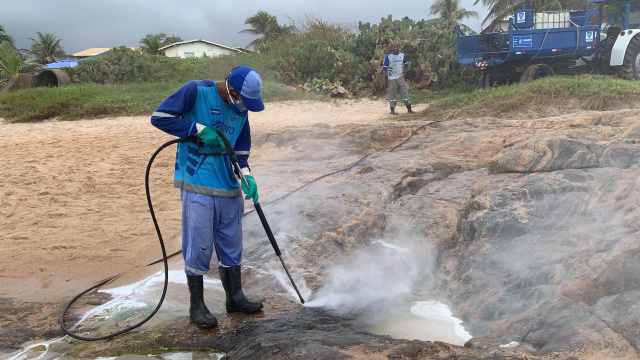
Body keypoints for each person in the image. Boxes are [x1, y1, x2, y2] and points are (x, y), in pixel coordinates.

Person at [150, 66, 264, 329]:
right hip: (197, 183)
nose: (244, 108)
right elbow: (159, 117)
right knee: (199, 244)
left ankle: (235, 297)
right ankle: (197, 306)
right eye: (243, 101)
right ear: (232, 90)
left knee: (231, 244)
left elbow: (241, 151)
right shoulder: (195, 91)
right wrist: (197, 129)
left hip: (229, 187)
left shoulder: (242, 111)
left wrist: (246, 174)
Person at [382, 43, 413, 115]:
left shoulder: (402, 55)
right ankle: (392, 110)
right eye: (394, 47)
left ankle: (409, 109)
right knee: (392, 94)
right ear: (392, 48)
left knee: (404, 93)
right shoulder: (388, 56)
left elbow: (406, 63)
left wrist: (404, 73)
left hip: (400, 77)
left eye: (397, 47)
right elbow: (384, 67)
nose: (395, 48)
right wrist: (384, 78)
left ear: (399, 47)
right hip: (392, 78)